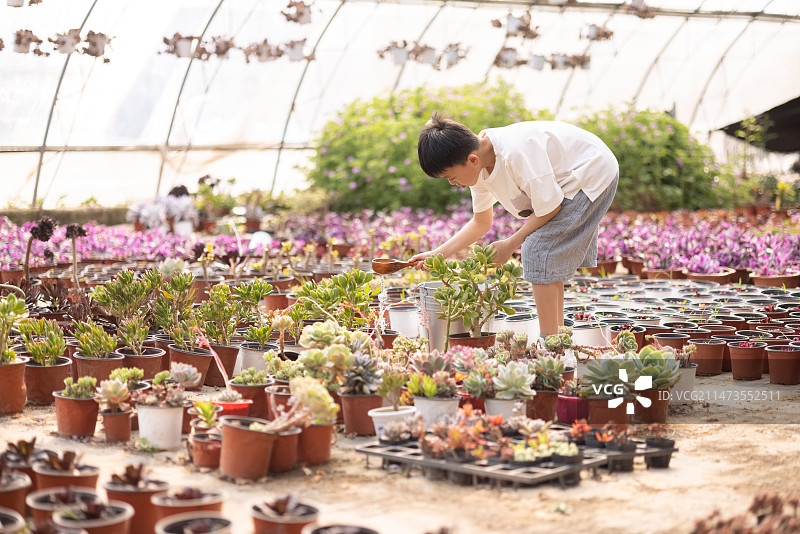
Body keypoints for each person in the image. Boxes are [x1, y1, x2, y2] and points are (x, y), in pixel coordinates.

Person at [409, 114, 619, 337]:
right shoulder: (480, 164)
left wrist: (510, 244)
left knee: (537, 250)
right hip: (567, 180)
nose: (453, 183)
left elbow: (550, 209)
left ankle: (550, 345)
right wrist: (438, 253)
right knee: (546, 256)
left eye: (450, 177)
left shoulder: (515, 154)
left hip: (592, 170)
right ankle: (557, 339)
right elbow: (481, 222)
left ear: (471, 160)